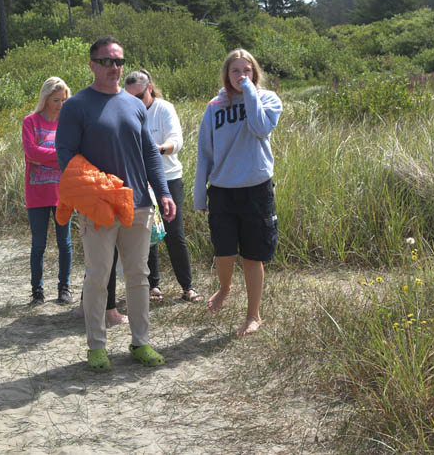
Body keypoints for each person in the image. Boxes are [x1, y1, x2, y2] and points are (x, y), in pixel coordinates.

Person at [56, 36, 176, 372]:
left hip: (138, 204)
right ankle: (96, 346)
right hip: (98, 207)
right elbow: (65, 155)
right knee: (98, 276)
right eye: (107, 61)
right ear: (92, 63)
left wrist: (163, 192)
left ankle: (141, 342)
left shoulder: (135, 104)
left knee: (139, 276)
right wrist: (93, 191)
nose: (114, 67)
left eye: (119, 61)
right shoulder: (76, 106)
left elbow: (150, 153)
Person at [193, 49, 282, 336]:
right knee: (223, 251)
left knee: (252, 256)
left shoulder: (268, 100)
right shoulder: (214, 106)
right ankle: (225, 288)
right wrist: (199, 194)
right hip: (221, 189)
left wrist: (249, 92)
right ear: (226, 74)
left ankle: (253, 315)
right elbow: (205, 152)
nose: (241, 75)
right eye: (235, 71)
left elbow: (259, 128)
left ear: (254, 72)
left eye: (247, 70)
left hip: (256, 189)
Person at [122, 69, 201, 303]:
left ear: (149, 89)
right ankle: (153, 286)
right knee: (147, 233)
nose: (134, 102)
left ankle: (188, 287)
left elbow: (176, 141)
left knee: (174, 233)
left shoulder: (163, 108)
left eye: (138, 96)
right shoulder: (125, 111)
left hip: (168, 178)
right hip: (139, 182)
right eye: (129, 97)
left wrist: (154, 151)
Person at [22, 77, 73, 305]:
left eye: (63, 100)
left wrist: (48, 158)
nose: (60, 105)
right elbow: (31, 152)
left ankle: (64, 288)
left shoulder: (68, 123)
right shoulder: (30, 122)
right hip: (37, 193)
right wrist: (59, 157)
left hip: (64, 193)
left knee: (65, 243)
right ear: (45, 99)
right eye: (55, 100)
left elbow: (72, 153)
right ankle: (37, 291)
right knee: (39, 244)